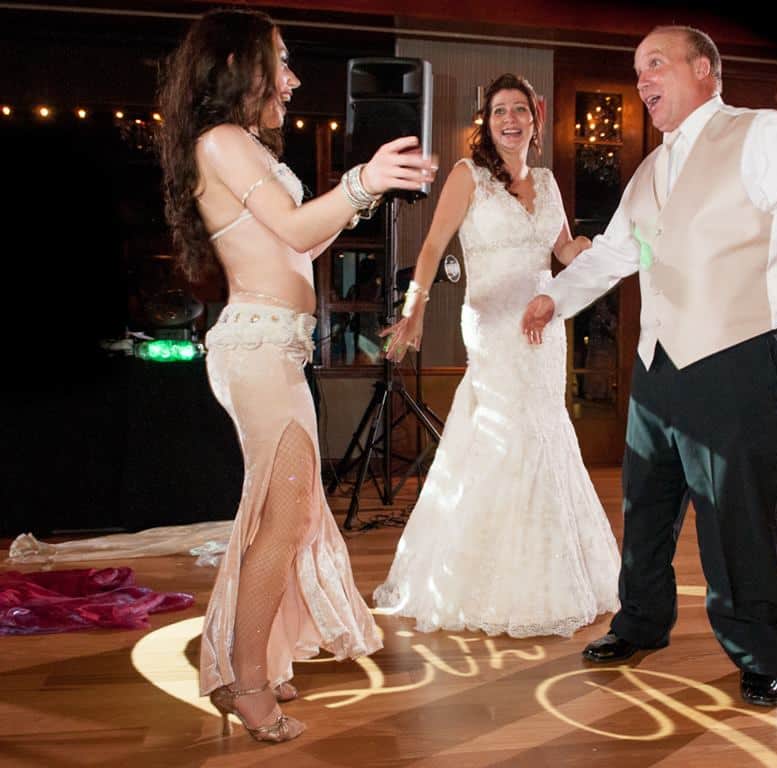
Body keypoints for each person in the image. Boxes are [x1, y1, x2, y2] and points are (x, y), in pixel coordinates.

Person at [522, 26, 777, 707]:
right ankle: (642, 622)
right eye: (636, 68)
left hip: (737, 355)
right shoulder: (651, 169)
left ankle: (761, 651)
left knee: (738, 517)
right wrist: (553, 299)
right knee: (646, 509)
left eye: (656, 63)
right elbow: (617, 252)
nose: (643, 78)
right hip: (659, 363)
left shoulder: (758, 135)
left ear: (705, 70)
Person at [158, 9, 436, 742]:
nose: (292, 78)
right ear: (237, 67)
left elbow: (303, 237)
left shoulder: (237, 144)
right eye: (280, 62)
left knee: (289, 515)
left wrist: (367, 189)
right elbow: (294, 228)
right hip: (257, 350)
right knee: (279, 521)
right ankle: (245, 680)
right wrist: (362, 180)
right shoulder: (220, 141)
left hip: (275, 347)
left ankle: (256, 660)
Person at [372, 74, 621, 638]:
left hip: (543, 326)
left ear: (536, 116)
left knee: (544, 432)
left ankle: (552, 572)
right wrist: (414, 308)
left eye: (519, 110)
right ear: (486, 120)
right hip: (491, 326)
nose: (509, 120)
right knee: (503, 437)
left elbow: (562, 250)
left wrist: (603, 250)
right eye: (498, 111)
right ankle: (478, 577)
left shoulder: (551, 183)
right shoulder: (469, 176)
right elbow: (433, 246)